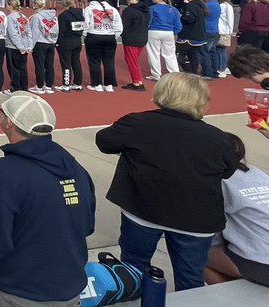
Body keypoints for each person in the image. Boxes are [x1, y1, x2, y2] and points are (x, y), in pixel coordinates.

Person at [95, 72, 240, 291]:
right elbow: (228, 170)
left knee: (134, 268)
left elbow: (104, 141)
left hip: (144, 211)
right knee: (190, 279)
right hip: (195, 220)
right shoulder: (217, 138)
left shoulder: (138, 123)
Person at [0, 91, 95, 305]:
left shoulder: (4, 174)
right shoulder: (76, 169)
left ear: (9, 124)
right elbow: (86, 225)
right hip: (67, 289)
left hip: (15, 291)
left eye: (1, 112)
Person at [204, 131, 269, 286]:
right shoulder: (256, 173)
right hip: (262, 255)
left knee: (193, 255)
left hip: (262, 262)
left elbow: (209, 228)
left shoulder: (217, 181)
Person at [145, 0, 181, 82]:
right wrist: (175, 32)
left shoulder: (152, 8)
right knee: (170, 54)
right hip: (169, 32)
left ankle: (156, 75)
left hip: (154, 31)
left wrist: (146, 29)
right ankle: (174, 74)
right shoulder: (173, 9)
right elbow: (178, 24)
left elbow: (148, 22)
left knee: (153, 53)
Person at [118, 0, 150, 91]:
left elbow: (124, 26)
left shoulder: (128, 11)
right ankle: (137, 81)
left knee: (132, 62)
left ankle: (137, 82)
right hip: (143, 37)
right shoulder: (145, 9)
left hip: (131, 39)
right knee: (134, 61)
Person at [55, 0, 85, 92]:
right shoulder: (80, 13)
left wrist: (58, 43)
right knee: (76, 62)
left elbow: (61, 31)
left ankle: (66, 84)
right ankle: (77, 83)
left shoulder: (63, 16)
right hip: (77, 41)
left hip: (66, 42)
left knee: (66, 64)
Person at [3, 0, 33, 93]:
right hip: (24, 45)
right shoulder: (23, 17)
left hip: (14, 47)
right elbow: (29, 33)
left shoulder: (10, 18)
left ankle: (15, 88)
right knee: (22, 67)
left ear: (10, 6)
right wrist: (29, 46)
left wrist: (21, 47)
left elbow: (13, 34)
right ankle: (23, 86)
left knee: (13, 68)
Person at [29, 0, 59, 95]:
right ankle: (49, 86)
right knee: (49, 65)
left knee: (40, 65)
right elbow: (56, 29)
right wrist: (53, 40)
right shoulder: (54, 16)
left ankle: (40, 86)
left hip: (40, 43)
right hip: (51, 43)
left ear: (36, 5)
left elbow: (34, 33)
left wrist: (31, 46)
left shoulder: (36, 17)